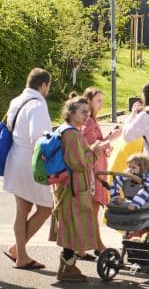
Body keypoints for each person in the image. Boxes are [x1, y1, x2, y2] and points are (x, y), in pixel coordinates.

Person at [3, 68, 53, 270]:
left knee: (22, 210)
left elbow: (9, 126)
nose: (48, 90)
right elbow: (39, 137)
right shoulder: (38, 105)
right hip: (31, 164)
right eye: (48, 86)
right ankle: (19, 252)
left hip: (15, 159)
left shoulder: (17, 101)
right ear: (42, 85)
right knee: (46, 208)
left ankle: (19, 251)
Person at [50, 96, 103, 282]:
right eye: (82, 112)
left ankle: (67, 266)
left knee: (70, 227)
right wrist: (95, 152)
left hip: (68, 187)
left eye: (88, 112)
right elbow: (79, 163)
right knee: (73, 227)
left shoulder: (65, 130)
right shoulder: (72, 135)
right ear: (71, 113)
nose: (87, 115)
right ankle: (67, 269)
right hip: (74, 188)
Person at [79, 87, 121, 259]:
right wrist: (111, 139)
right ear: (88, 101)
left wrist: (107, 140)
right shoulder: (89, 121)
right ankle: (97, 245)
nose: (101, 104)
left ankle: (82, 247)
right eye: (98, 100)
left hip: (96, 168)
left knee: (91, 210)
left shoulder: (90, 120)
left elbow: (96, 144)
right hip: (93, 171)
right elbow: (89, 147)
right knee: (92, 209)